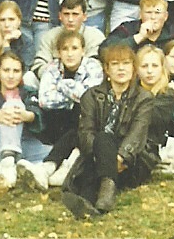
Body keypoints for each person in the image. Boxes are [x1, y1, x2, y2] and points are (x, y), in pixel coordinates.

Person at [60, 42, 160, 218]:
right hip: (98, 154)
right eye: (115, 64)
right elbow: (86, 132)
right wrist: (102, 157)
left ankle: (90, 196)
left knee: (103, 142)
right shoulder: (91, 96)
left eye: (126, 63)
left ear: (133, 68)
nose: (121, 68)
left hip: (132, 160)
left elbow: (137, 134)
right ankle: (98, 203)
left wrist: (119, 158)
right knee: (103, 138)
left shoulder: (144, 98)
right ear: (107, 69)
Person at [37, 29, 104, 183]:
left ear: (83, 51)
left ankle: (50, 165)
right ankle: (63, 164)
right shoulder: (52, 67)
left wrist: (63, 85)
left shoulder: (93, 66)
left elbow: (88, 98)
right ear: (58, 52)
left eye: (74, 48)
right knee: (74, 113)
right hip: (58, 120)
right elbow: (45, 100)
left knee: (81, 114)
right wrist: (73, 99)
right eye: (65, 49)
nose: (70, 54)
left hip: (83, 121)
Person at [0, 50, 53, 189]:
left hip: (27, 142)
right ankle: (8, 162)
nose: (11, 76)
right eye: (6, 70)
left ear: (22, 74)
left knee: (57, 156)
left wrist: (28, 115)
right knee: (11, 106)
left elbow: (37, 113)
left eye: (16, 71)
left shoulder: (30, 93)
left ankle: (25, 168)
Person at [31, 0, 106, 79]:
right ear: (60, 16)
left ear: (84, 16)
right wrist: (54, 76)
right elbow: (39, 64)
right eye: (66, 14)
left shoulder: (95, 36)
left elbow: (97, 66)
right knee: (29, 77)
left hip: (87, 80)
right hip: (53, 79)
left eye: (75, 14)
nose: (70, 19)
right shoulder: (50, 36)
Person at [103, 0, 174, 54]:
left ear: (165, 16)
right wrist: (138, 37)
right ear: (140, 14)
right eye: (148, 12)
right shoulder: (128, 28)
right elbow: (105, 50)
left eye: (157, 13)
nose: (153, 17)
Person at [136, 44, 174, 145]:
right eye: (144, 66)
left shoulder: (167, 94)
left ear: (162, 68)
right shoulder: (131, 91)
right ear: (137, 70)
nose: (149, 71)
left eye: (155, 66)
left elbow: (149, 121)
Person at [0, 0, 34, 71]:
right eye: (2, 20)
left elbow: (23, 70)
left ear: (19, 21)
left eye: (11, 19)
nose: (7, 25)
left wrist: (6, 45)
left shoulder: (26, 42)